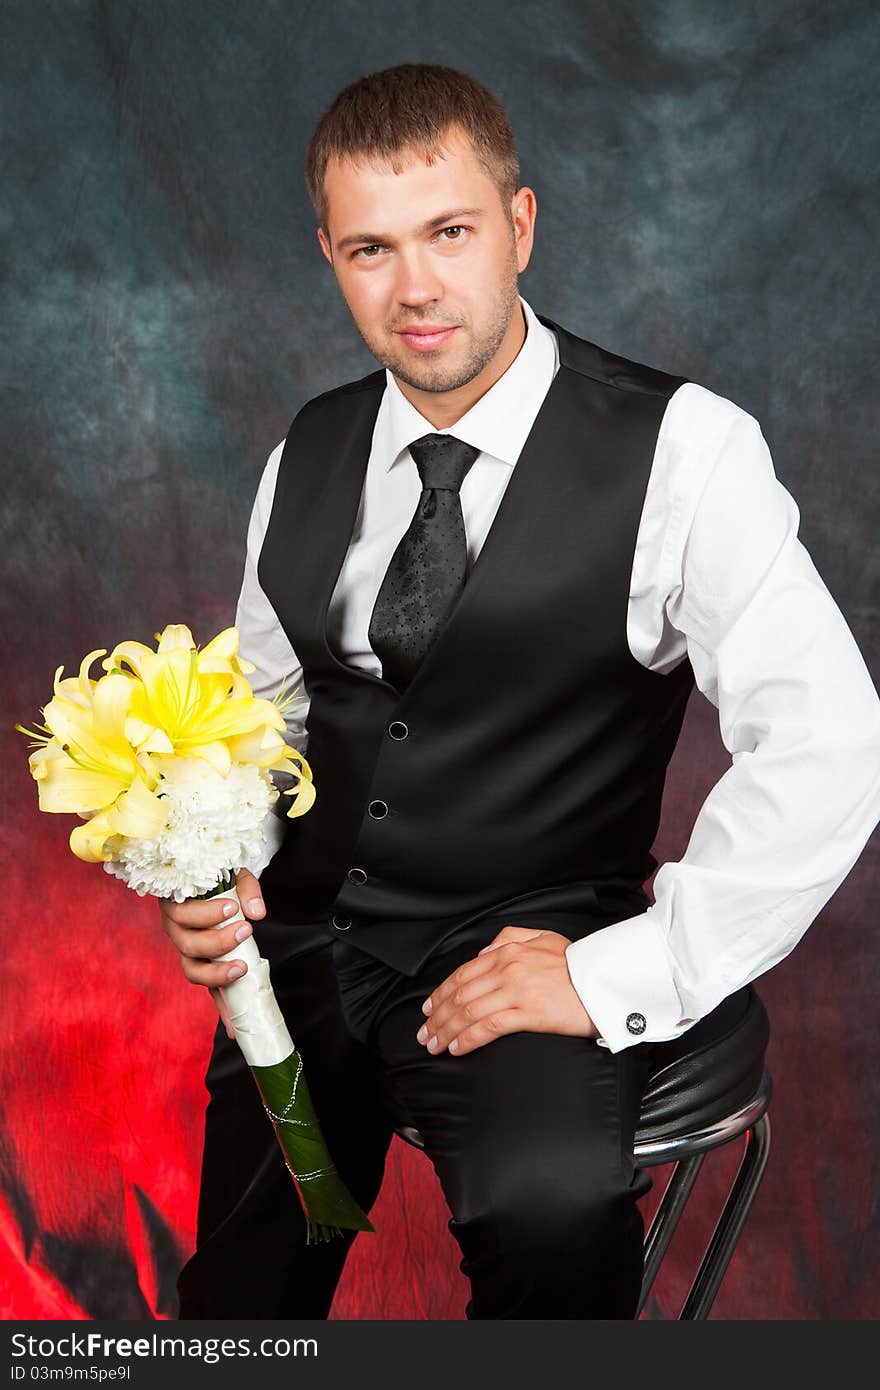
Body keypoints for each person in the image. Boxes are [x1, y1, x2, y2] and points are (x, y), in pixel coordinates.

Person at [160, 64, 880, 1320]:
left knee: (549, 1234)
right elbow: (262, 713)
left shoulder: (683, 450)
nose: (416, 288)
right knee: (237, 1293)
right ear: (327, 254)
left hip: (525, 946)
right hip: (312, 960)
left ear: (521, 225)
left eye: (450, 233)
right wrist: (213, 861)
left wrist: (623, 972)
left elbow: (832, 743)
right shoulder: (307, 452)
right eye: (370, 249)